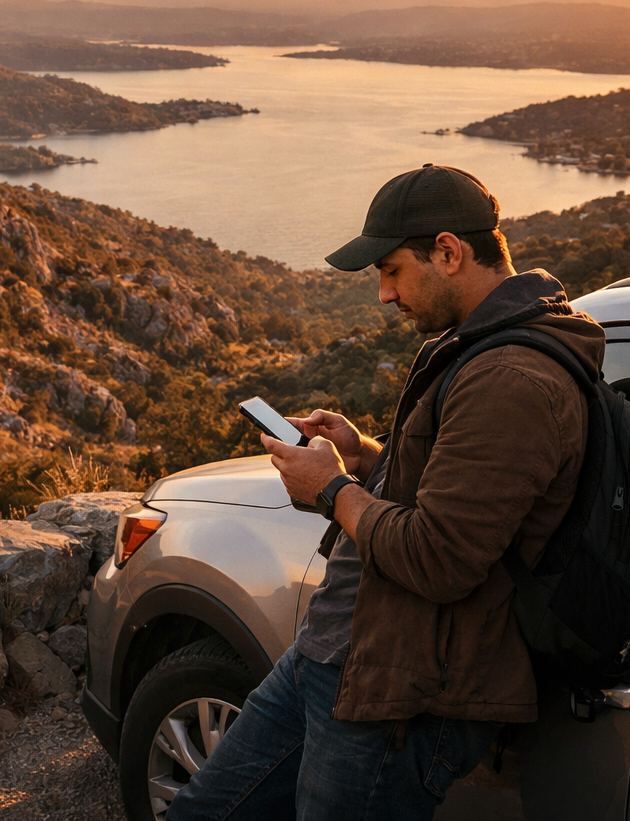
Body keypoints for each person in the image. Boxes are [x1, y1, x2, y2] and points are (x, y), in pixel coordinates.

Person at [167, 164, 606, 821]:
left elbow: (441, 556)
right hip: (343, 653)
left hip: (396, 700)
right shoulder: (480, 347)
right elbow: (446, 491)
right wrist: (367, 455)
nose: (383, 294)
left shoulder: (513, 379)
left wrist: (330, 490)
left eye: (392, 270)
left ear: (449, 252)